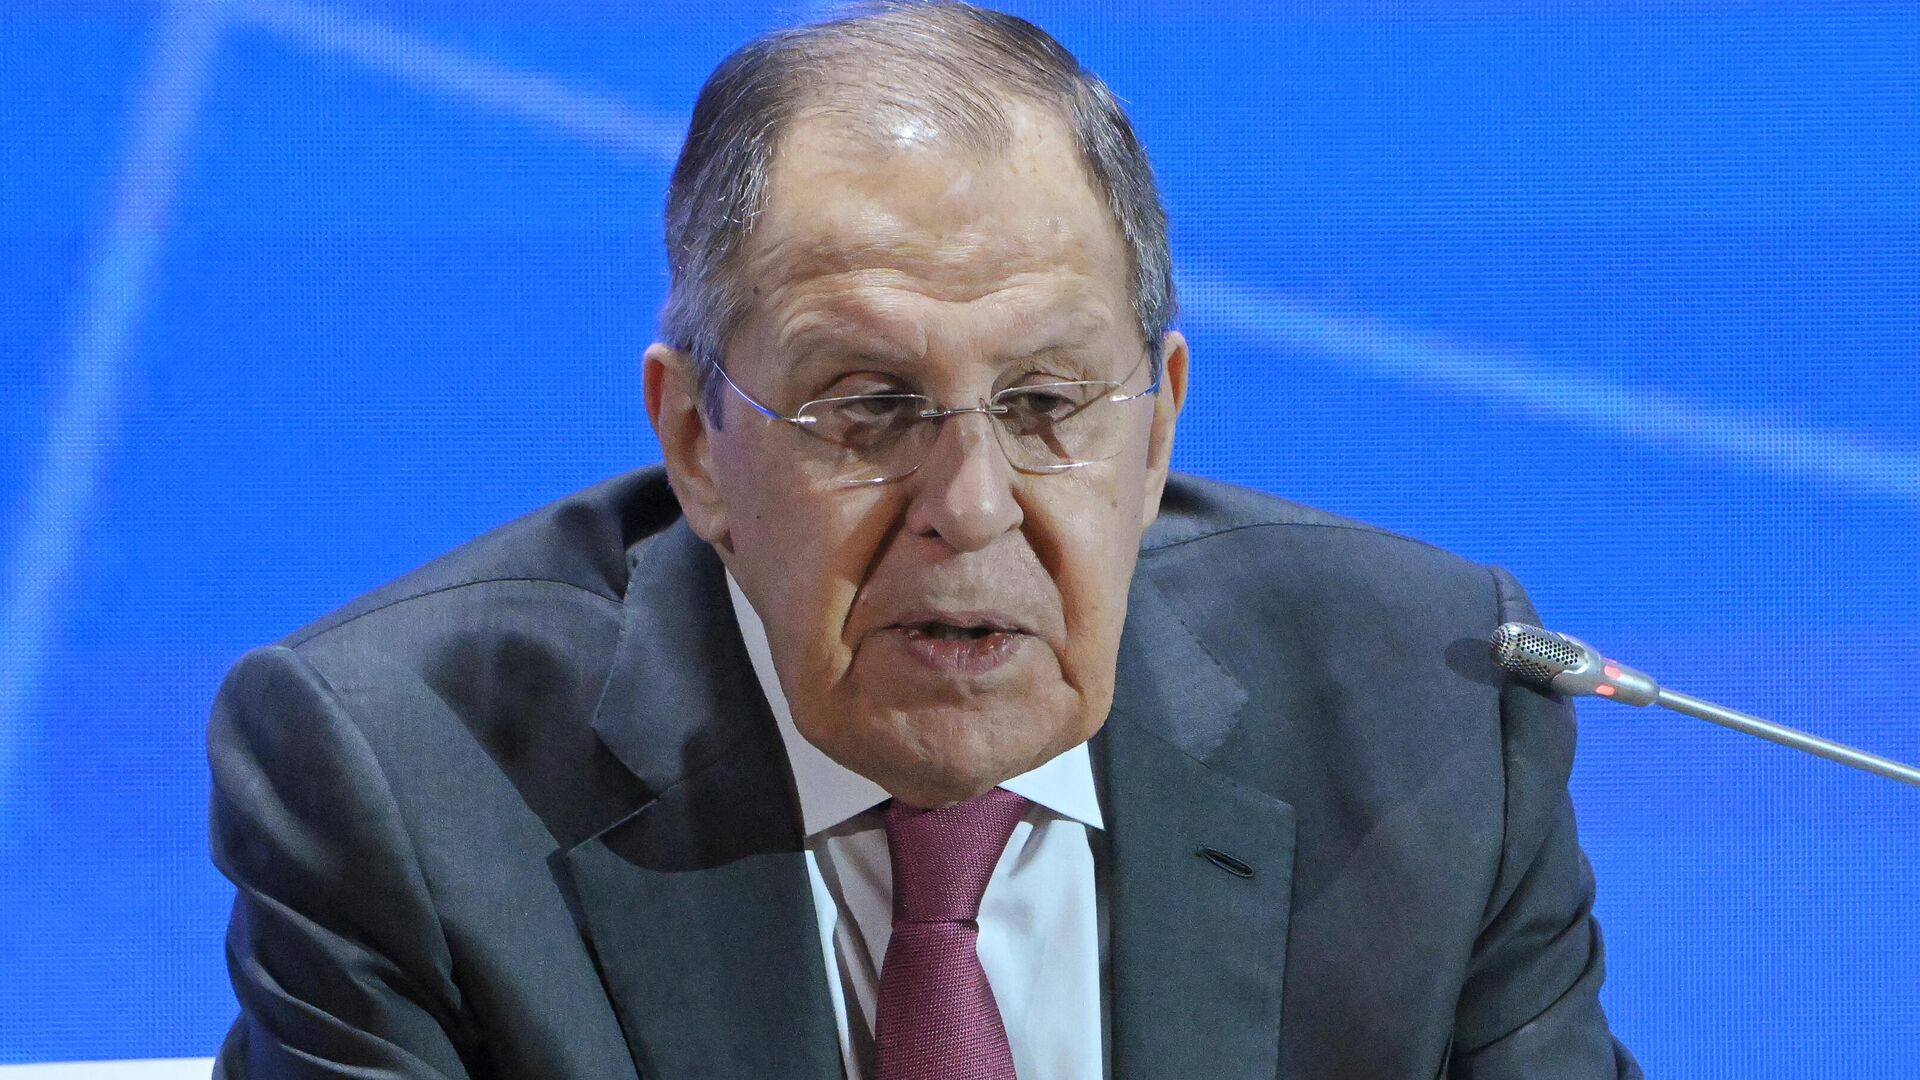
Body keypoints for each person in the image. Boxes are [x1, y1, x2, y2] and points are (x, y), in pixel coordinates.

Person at [208, 3, 1640, 1077]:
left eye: (1045, 404)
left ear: (1157, 425)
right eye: (869, 409)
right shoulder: (405, 779)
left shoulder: (1432, 722)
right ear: (698, 443)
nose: (971, 503)